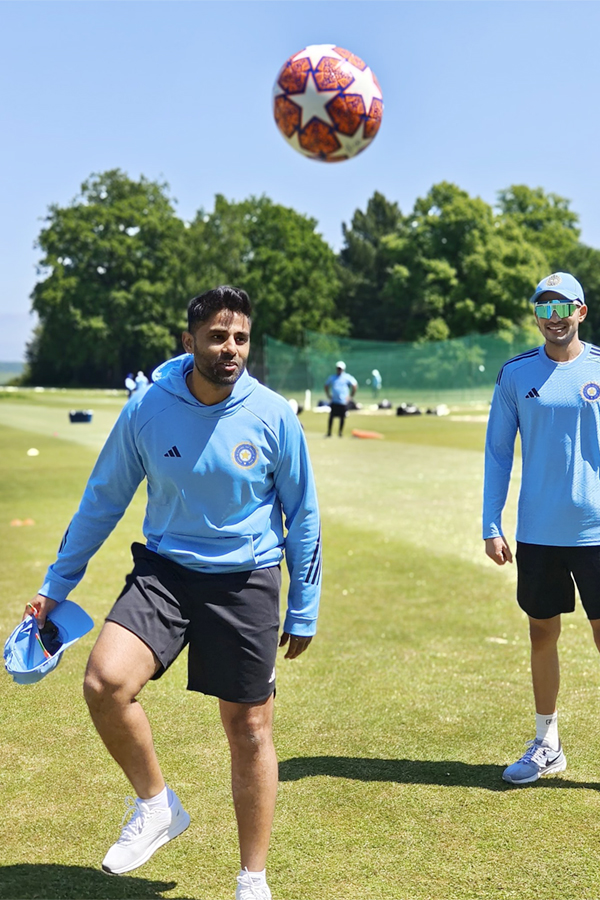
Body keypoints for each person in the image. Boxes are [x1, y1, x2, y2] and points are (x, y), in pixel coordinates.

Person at [24, 285, 322, 900]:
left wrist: (305, 604)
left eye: (240, 337)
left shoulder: (272, 415)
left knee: (249, 730)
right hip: (165, 571)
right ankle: (157, 805)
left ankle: (252, 880)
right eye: (217, 336)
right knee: (104, 682)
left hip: (247, 580)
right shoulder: (148, 407)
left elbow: (304, 514)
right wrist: (56, 587)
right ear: (189, 342)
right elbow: (103, 500)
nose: (230, 348)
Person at [483, 271, 600, 785]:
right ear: (536, 315)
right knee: (541, 634)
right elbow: (497, 452)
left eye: (562, 308)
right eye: (543, 308)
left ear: (580, 312)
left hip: (596, 532)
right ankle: (547, 743)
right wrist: (491, 522)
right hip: (537, 533)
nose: (553, 318)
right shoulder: (515, 374)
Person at [324, 361, 357, 437]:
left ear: (343, 369)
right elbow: (326, 385)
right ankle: (329, 432)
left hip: (343, 402)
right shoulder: (332, 377)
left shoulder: (347, 377)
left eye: (340, 369)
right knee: (331, 417)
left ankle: (340, 432)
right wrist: (328, 395)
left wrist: (351, 396)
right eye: (338, 368)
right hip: (334, 401)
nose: (339, 370)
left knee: (342, 418)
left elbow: (354, 385)